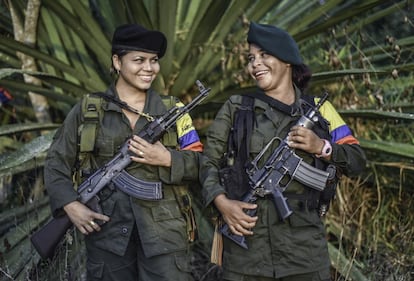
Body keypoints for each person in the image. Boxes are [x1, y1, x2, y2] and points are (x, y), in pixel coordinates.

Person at [200, 22, 366, 281]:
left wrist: (321, 147)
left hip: (304, 251)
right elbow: (206, 162)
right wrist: (222, 203)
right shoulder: (237, 108)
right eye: (251, 58)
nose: (255, 64)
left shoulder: (318, 111)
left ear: (287, 60)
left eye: (264, 55)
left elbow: (357, 160)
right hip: (246, 251)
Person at [44, 23, 203, 281]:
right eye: (138, 60)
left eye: (154, 60)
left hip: (165, 237)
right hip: (107, 234)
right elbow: (55, 162)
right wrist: (70, 204)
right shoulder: (88, 110)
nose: (149, 68)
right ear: (117, 62)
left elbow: (201, 164)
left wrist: (167, 158)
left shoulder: (174, 110)